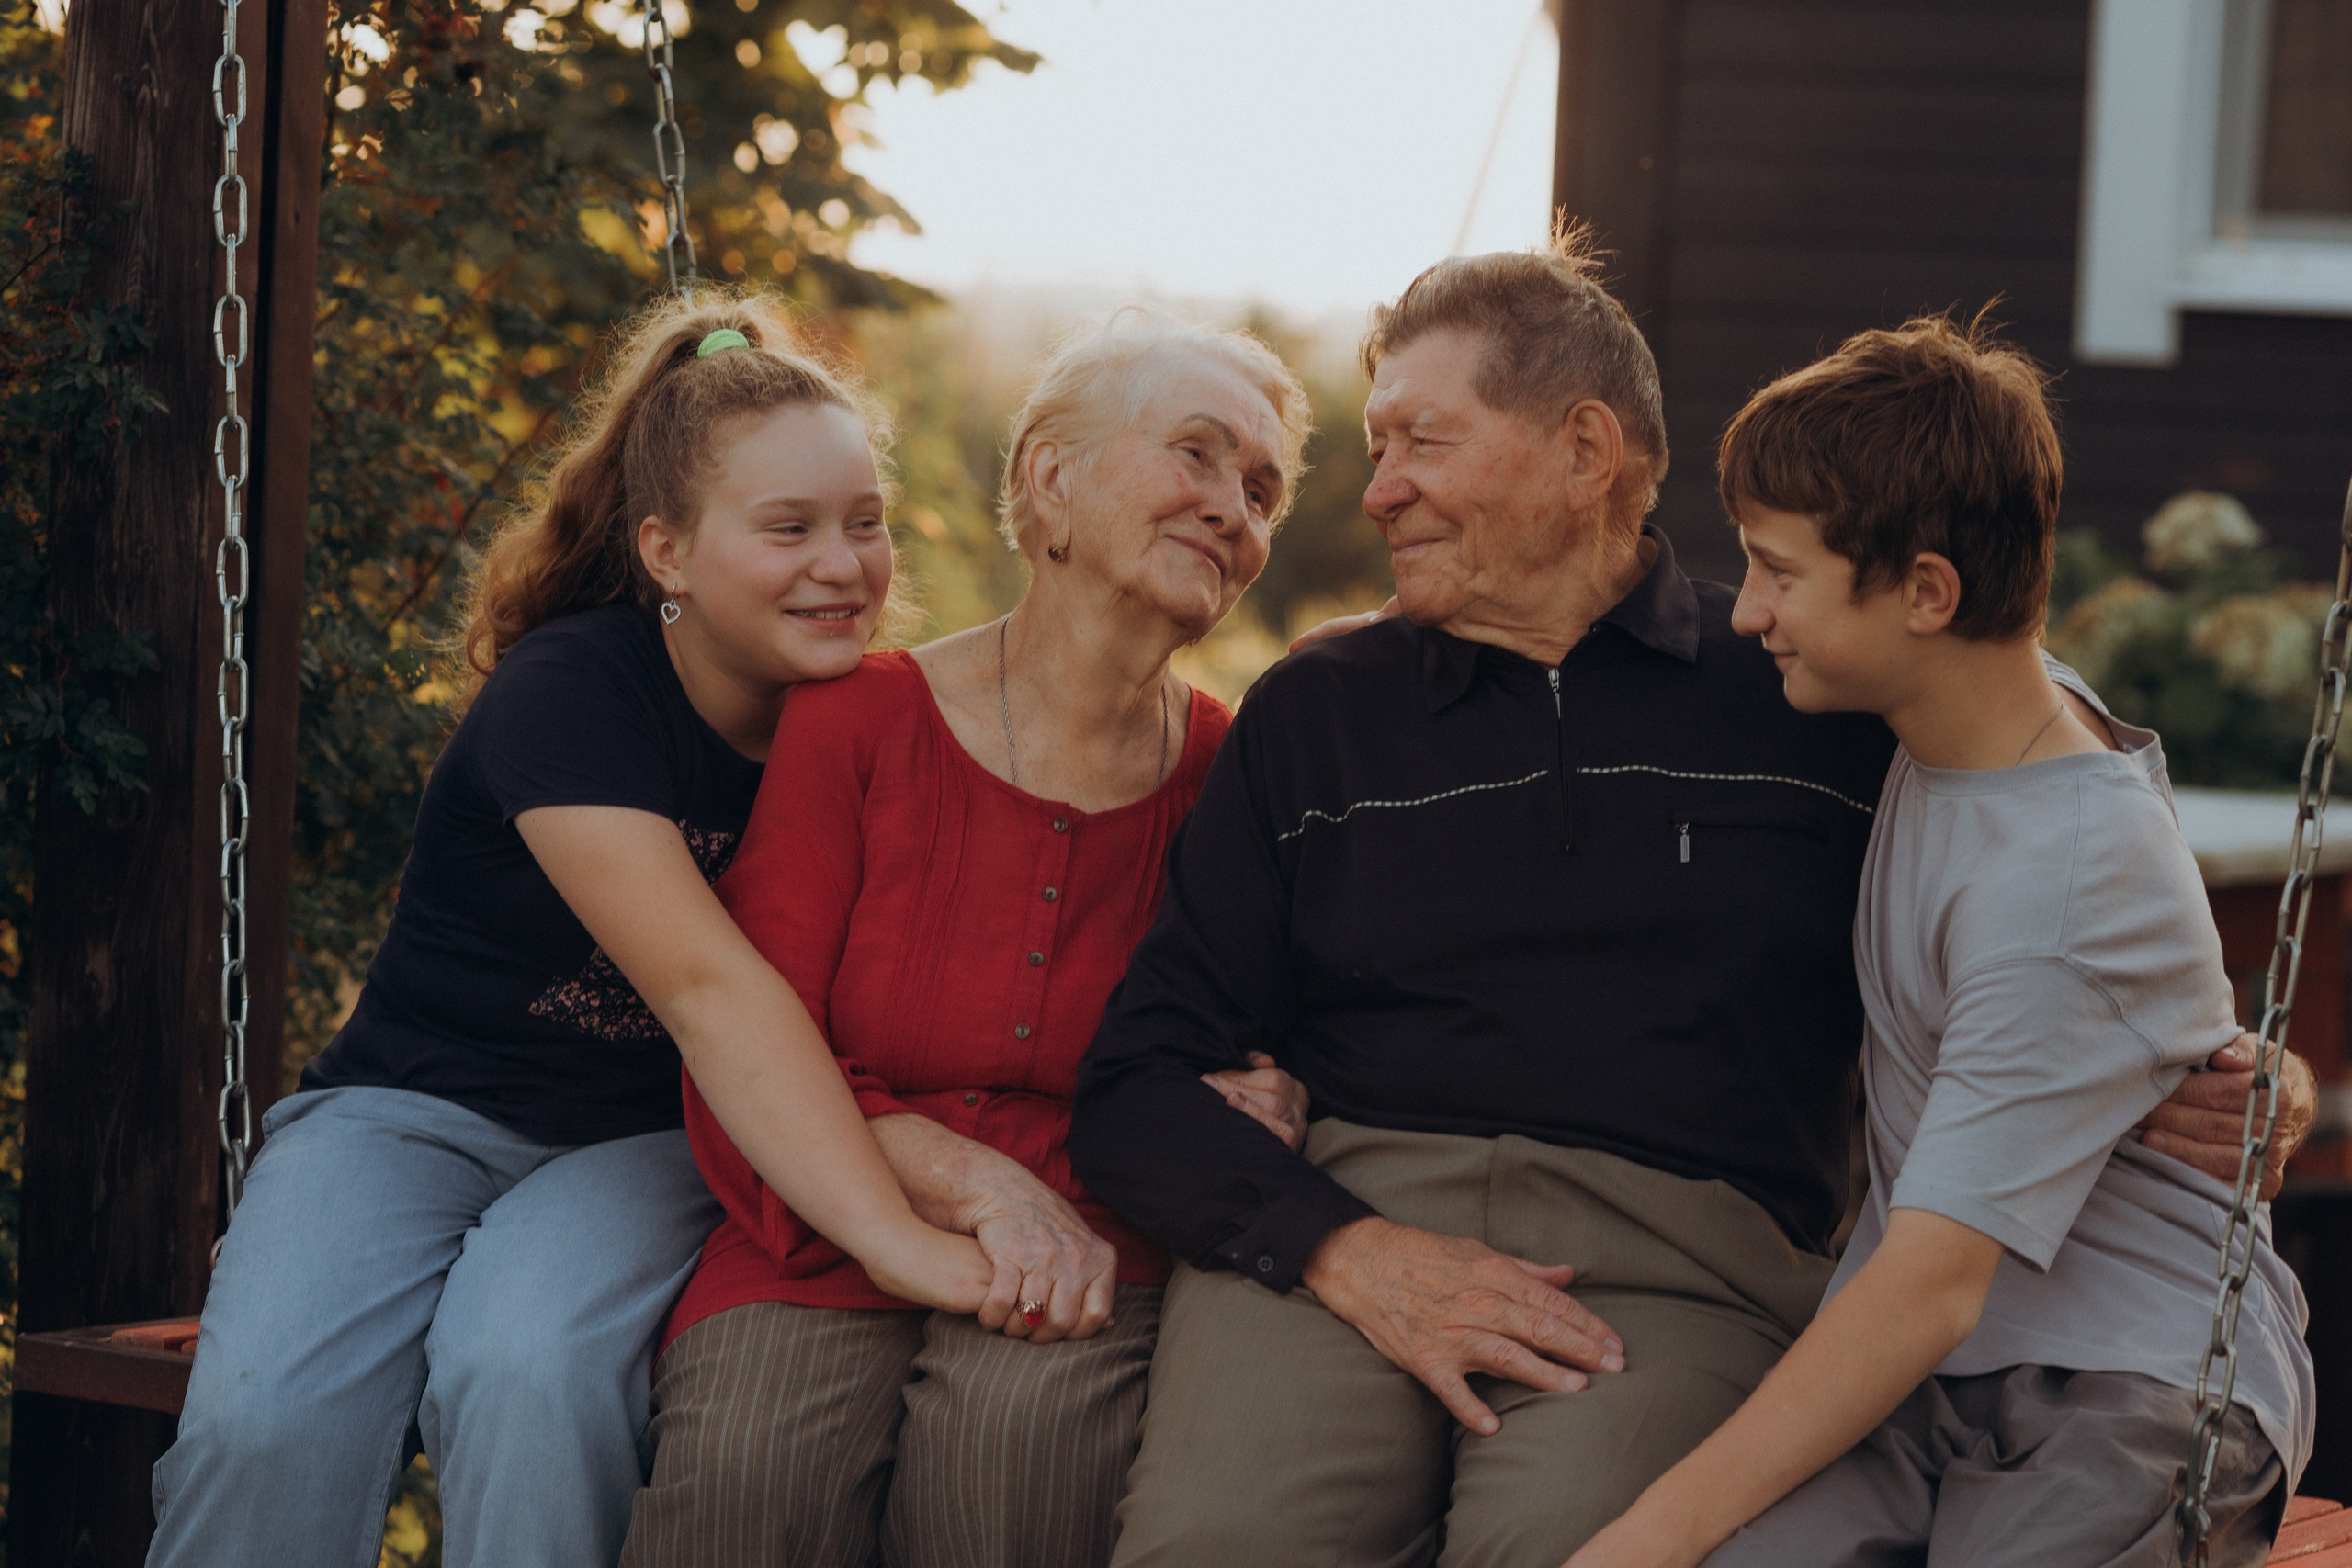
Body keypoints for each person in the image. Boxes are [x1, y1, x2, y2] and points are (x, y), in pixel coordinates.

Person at [1067, 231, 2319, 1568]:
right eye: (1375, 449)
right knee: (1221, 1544)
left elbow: (2040, 789)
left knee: (1565, 1546)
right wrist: (1339, 1247)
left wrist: (2244, 1069)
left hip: (1682, 1267)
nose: (1377, 493)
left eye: (1419, 441)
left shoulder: (1815, 692)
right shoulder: (1318, 713)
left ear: (1583, 452)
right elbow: (1137, 1084)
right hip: (1344, 1226)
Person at [149, 294, 994, 1568]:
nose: (844, 564)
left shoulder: (873, 724)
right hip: (413, 1112)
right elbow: (710, 987)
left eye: (864, 524)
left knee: (531, 1370)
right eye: (789, 528)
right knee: (264, 1420)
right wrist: (894, 1240)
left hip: (648, 1135)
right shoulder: (574, 693)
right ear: (666, 552)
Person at [1566, 317, 2312, 1568]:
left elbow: (1927, 1290)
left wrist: (1641, 1539)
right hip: (1940, 1375)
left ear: (1925, 592)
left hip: (2128, 1386)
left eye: (1778, 572)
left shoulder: (2064, 885)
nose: (1748, 613)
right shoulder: (1973, 703)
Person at [618, 312, 1316, 1568]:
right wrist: (958, 1178)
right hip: (823, 1218)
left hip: (1093, 1236)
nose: (1234, 509)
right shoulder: (858, 723)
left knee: (1015, 1464)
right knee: (746, 1474)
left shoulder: (1232, 773)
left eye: (1261, 491)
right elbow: (751, 1035)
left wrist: (1274, 1087)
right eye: (1199, 457)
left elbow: (1277, 1022)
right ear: (1050, 478)